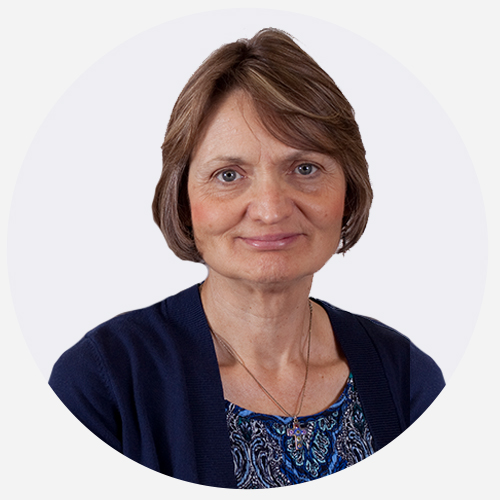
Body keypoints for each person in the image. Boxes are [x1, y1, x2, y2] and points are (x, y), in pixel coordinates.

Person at [49, 28, 445, 489]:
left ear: (349, 190)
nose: (270, 210)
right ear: (182, 200)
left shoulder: (406, 377)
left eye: (305, 168)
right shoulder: (102, 382)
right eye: (229, 175)